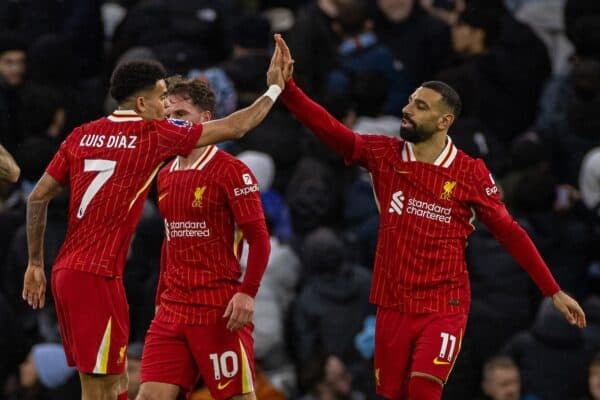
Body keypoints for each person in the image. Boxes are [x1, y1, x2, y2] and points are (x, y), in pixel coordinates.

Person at [272, 35, 586, 400]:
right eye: (410, 101)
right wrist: (288, 89)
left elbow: (510, 233)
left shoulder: (470, 173)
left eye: (420, 106)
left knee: (423, 389)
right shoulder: (383, 155)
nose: (407, 109)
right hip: (393, 303)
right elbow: (332, 130)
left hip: (444, 305)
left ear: (444, 121)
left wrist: (553, 290)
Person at [22, 36, 290, 400]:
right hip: (123, 287)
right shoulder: (155, 145)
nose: (167, 112)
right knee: (108, 389)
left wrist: (35, 263)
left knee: (118, 386)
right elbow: (237, 127)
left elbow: (37, 197)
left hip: (199, 303)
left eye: (178, 111)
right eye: (164, 102)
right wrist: (273, 88)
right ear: (143, 101)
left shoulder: (83, 134)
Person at [136, 76, 271, 400]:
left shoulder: (231, 171)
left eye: (180, 116)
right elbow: (170, 242)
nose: (173, 124)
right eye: (168, 117)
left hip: (217, 311)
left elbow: (260, 238)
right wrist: (159, 301)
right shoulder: (165, 173)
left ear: (206, 119)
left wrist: (247, 293)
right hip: (171, 312)